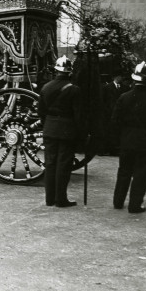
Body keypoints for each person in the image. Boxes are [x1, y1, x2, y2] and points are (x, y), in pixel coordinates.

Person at [111, 62, 146, 213]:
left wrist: (119, 138)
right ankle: (135, 204)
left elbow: (115, 121)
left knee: (124, 171)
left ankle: (118, 201)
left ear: (134, 79)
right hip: (145, 141)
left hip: (127, 139)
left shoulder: (123, 97)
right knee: (142, 174)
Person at [38, 55, 83, 207]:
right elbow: (78, 115)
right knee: (63, 165)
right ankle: (61, 199)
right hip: (66, 130)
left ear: (56, 70)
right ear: (69, 72)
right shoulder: (75, 90)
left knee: (50, 164)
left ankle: (49, 199)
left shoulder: (46, 87)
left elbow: (41, 112)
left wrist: (48, 125)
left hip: (49, 128)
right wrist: (80, 133)